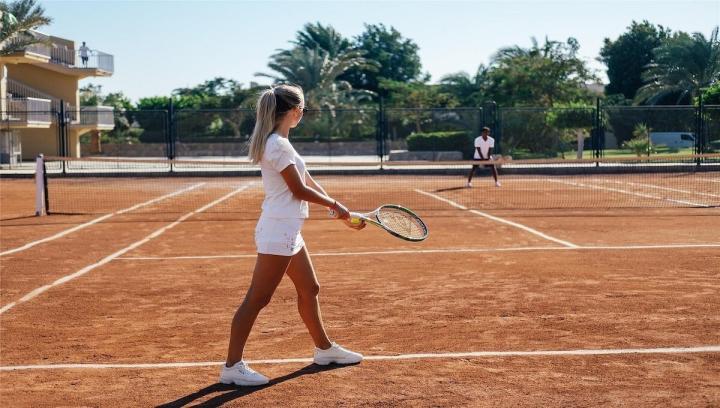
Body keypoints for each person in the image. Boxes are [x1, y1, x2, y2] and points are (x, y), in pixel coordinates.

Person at [220, 84, 365, 387]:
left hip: (288, 230)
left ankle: (324, 350)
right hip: (278, 230)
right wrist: (335, 206)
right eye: (304, 109)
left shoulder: (281, 143)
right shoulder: (277, 145)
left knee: (310, 288)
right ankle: (232, 366)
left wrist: (342, 213)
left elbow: (307, 181)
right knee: (257, 298)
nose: (304, 113)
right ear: (296, 110)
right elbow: (298, 190)